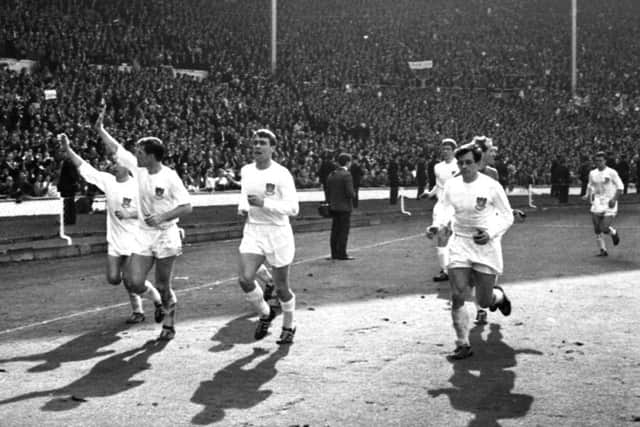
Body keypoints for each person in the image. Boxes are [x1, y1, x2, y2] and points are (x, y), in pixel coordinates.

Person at [96, 102, 192, 341]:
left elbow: (187, 206)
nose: (135, 155)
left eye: (140, 152)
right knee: (134, 281)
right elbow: (116, 149)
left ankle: (169, 323)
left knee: (162, 284)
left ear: (151, 156)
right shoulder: (138, 170)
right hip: (143, 233)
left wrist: (162, 216)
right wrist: (100, 129)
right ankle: (158, 304)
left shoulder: (169, 177)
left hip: (166, 234)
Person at [58, 133, 163, 324]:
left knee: (132, 281)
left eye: (117, 162)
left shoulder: (137, 185)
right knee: (114, 278)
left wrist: (130, 214)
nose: (114, 164)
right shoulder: (108, 181)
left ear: (127, 166)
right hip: (115, 241)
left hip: (134, 240)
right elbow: (84, 168)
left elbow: (152, 213)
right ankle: (141, 305)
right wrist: (67, 149)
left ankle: (153, 303)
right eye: (114, 162)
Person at [433, 143, 514, 360]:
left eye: (469, 162)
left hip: (485, 245)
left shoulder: (491, 186)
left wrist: (491, 233)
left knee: (484, 300)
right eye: (461, 163)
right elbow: (444, 208)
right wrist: (439, 225)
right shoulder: (452, 185)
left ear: (478, 163)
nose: (464, 166)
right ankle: (462, 343)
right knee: (458, 293)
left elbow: (507, 216)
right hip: (460, 243)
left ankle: (499, 296)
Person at [237, 129, 300, 345]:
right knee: (245, 279)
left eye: (262, 143)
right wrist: (243, 207)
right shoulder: (246, 170)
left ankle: (289, 325)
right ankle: (265, 313)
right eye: (255, 142)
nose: (257, 146)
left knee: (282, 287)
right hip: (254, 230)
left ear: (273, 148)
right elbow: (244, 196)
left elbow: (293, 208)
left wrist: (265, 203)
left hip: (278, 233)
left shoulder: (282, 174)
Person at [423, 138, 459, 283]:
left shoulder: (460, 165)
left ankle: (456, 268)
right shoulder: (437, 166)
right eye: (443, 149)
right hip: (441, 205)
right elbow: (438, 185)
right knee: (440, 235)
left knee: (451, 235)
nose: (445, 151)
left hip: (454, 205)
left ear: (454, 150)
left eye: (448, 149)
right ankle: (445, 270)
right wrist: (429, 194)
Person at [582, 151, 623, 257]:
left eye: (600, 161)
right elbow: (590, 185)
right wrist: (587, 195)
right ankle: (603, 250)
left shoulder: (612, 172)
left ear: (605, 161)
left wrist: (614, 199)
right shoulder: (592, 173)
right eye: (596, 161)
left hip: (609, 202)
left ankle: (613, 232)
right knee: (597, 228)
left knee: (604, 228)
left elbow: (620, 187)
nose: (598, 163)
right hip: (597, 202)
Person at [327, 153, 355, 260]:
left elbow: (328, 191)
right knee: (343, 231)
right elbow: (350, 193)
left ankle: (334, 253)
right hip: (344, 207)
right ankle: (342, 253)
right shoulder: (346, 175)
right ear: (348, 162)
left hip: (334, 206)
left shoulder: (332, 174)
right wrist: (353, 194)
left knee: (335, 231)